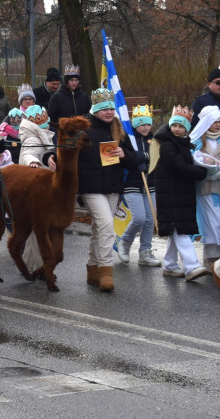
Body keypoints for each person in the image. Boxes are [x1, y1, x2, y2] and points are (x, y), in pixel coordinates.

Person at [76, 88, 138, 291]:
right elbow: (69, 155)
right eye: (104, 109)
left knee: (98, 228)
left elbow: (132, 159)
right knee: (106, 225)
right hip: (90, 187)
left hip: (112, 186)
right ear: (95, 110)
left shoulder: (117, 129)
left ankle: (92, 270)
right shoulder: (83, 129)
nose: (109, 112)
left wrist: (124, 154)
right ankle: (106, 271)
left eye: (111, 108)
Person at [155, 105, 213, 282]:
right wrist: (202, 172)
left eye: (181, 126)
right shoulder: (168, 146)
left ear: (186, 129)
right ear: (170, 126)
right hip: (171, 193)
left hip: (179, 192)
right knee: (180, 230)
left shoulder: (182, 145)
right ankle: (191, 266)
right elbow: (179, 168)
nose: (177, 129)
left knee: (176, 228)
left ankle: (170, 265)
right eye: (175, 125)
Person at [115, 104, 161, 267]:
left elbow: (158, 157)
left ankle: (145, 253)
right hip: (132, 183)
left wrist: (143, 157)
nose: (146, 127)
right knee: (139, 217)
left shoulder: (154, 140)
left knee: (150, 220)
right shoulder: (128, 140)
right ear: (135, 124)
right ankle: (124, 243)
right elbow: (125, 158)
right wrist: (139, 158)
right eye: (142, 124)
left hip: (150, 184)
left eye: (148, 124)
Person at [191, 106, 220, 268]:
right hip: (206, 189)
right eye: (214, 121)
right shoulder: (197, 142)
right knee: (212, 224)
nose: (218, 124)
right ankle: (211, 260)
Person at [19, 105, 56, 170]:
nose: (49, 126)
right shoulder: (33, 140)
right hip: (37, 175)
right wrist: (32, 161)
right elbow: (27, 154)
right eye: (46, 125)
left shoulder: (45, 136)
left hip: (45, 173)